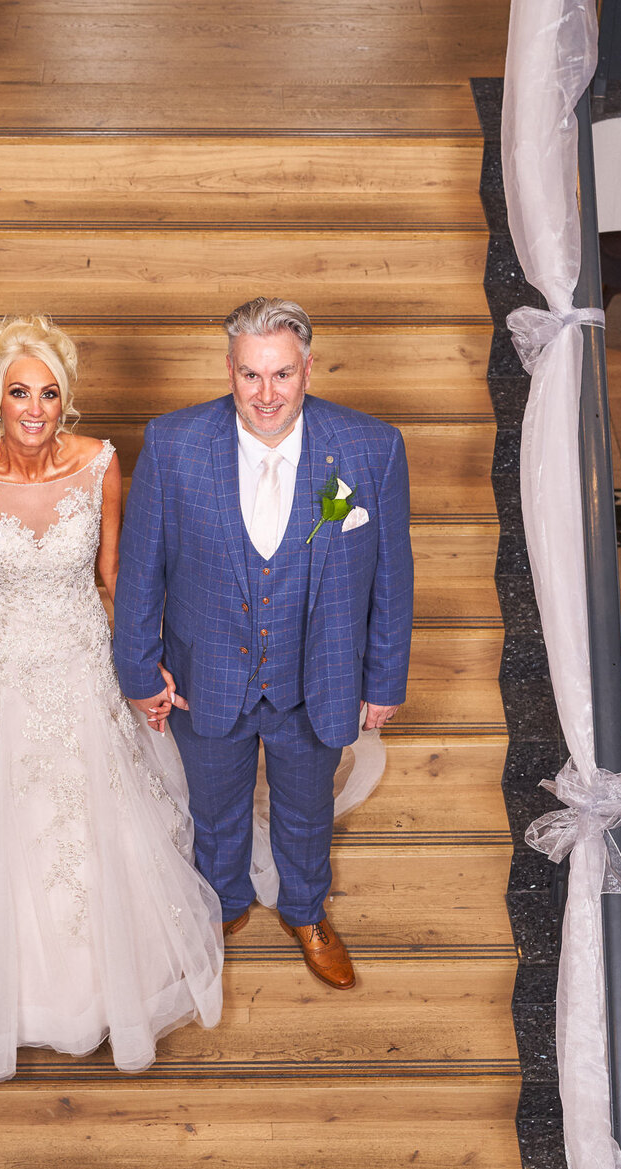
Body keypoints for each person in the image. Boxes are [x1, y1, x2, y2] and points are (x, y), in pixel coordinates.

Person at [0, 314, 223, 1084]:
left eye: (49, 393)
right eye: (20, 393)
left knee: (95, 818)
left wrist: (140, 667)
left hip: (82, 661)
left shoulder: (102, 464)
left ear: (65, 399)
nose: (36, 409)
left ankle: (104, 986)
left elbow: (114, 576)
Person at [113, 297, 413, 991]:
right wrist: (136, 667)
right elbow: (141, 568)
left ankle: (306, 911)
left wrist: (384, 680)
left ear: (307, 368)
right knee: (212, 805)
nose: (266, 394)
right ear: (230, 371)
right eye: (251, 376)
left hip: (318, 678)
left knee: (307, 807)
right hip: (205, 671)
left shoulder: (371, 447)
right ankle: (219, 906)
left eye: (281, 375)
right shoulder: (173, 443)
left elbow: (393, 574)